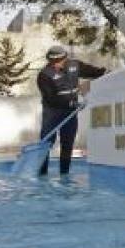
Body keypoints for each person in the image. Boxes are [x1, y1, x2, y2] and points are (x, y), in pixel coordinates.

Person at [37, 45, 106, 175]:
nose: (56, 64)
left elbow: (94, 72)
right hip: (52, 114)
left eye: (59, 61)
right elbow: (51, 99)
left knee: (67, 144)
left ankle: (64, 174)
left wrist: (105, 72)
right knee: (46, 144)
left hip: (70, 114)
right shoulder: (44, 75)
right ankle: (42, 174)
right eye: (53, 62)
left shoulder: (75, 65)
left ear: (65, 58)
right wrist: (71, 103)